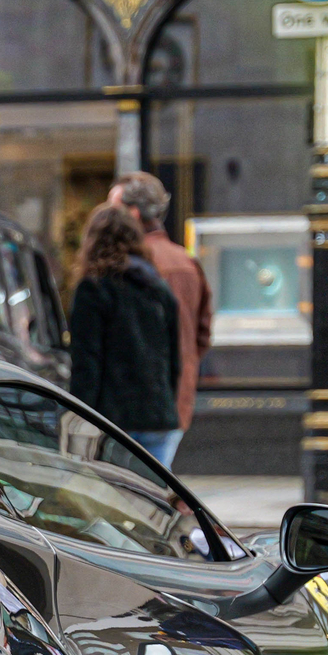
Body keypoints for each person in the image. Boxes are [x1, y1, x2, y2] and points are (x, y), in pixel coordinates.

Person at [65, 204, 182, 461]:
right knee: (154, 499)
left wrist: (77, 419)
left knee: (113, 499)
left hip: (113, 421)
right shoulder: (157, 287)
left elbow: (87, 363)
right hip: (159, 418)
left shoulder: (93, 289)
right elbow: (174, 361)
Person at [110, 171, 211, 465]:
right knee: (152, 491)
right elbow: (202, 336)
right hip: (175, 403)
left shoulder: (125, 265)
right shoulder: (187, 262)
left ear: (132, 213)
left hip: (129, 404)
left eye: (112, 209)